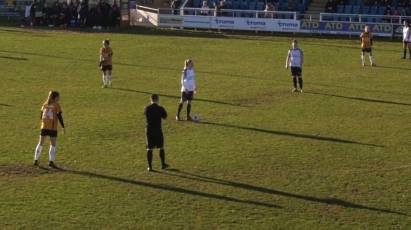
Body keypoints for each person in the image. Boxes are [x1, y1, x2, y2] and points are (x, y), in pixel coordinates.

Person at [33, 91, 65, 167]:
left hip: (44, 127)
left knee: (40, 143)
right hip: (52, 128)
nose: (59, 98)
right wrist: (63, 126)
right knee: (53, 144)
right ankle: (51, 161)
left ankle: (36, 160)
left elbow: (41, 116)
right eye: (58, 97)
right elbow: (59, 116)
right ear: (55, 98)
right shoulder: (56, 105)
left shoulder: (44, 104)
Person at [144, 94, 169, 171]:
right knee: (161, 147)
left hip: (149, 130)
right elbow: (165, 116)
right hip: (158, 129)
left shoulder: (147, 108)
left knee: (149, 149)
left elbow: (145, 115)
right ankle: (163, 164)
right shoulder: (160, 108)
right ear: (157, 100)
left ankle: (150, 166)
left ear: (151, 100)